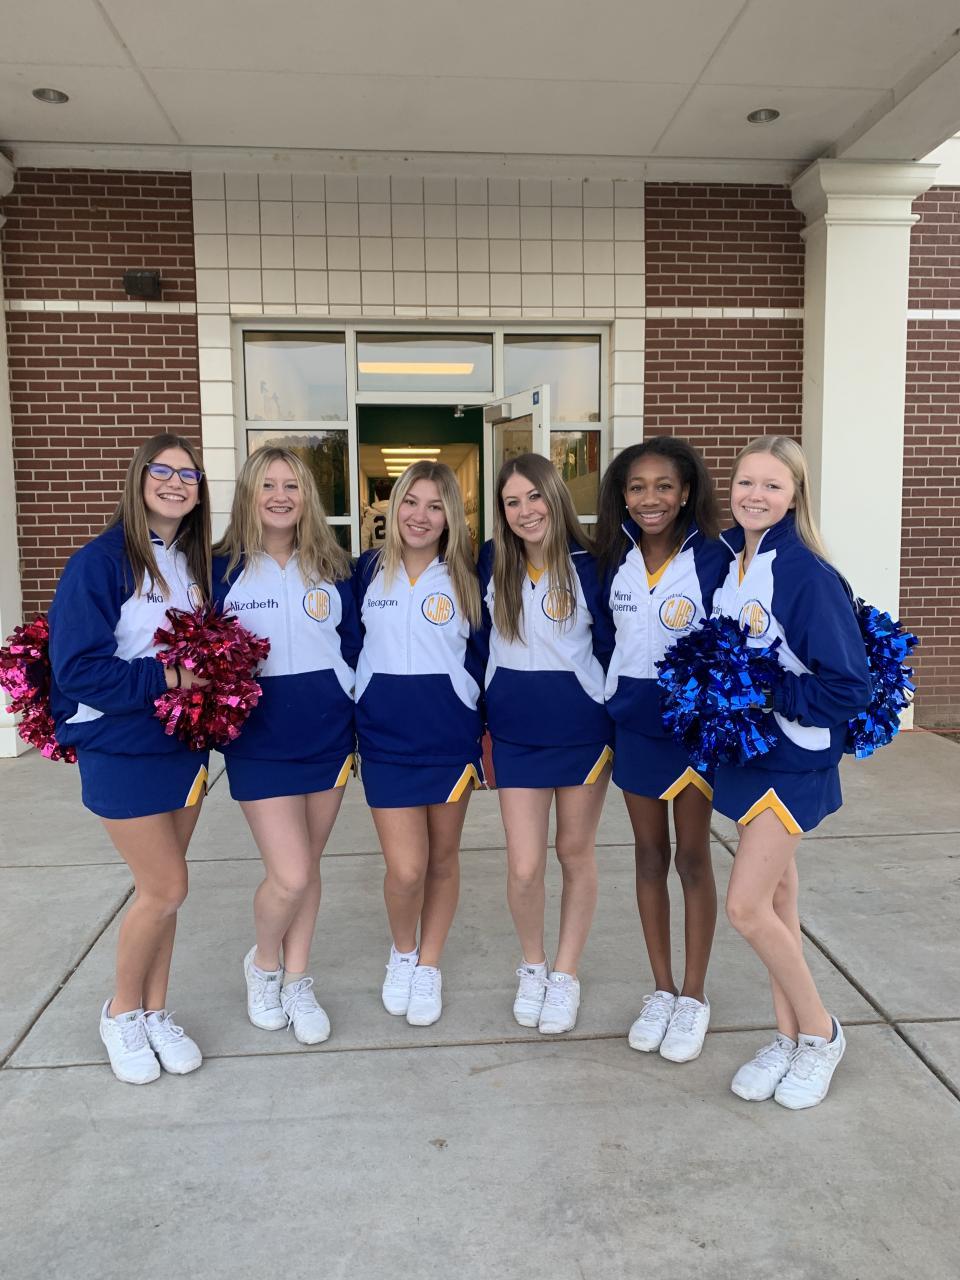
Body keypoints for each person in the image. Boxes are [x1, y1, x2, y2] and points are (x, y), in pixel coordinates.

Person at [713, 436, 871, 1109]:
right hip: (751, 756)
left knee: (745, 907)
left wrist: (763, 691)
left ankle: (822, 1032)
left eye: (772, 485)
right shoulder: (734, 560)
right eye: (745, 482)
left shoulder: (805, 573)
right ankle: (788, 1039)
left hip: (794, 759)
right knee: (778, 904)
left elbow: (849, 686)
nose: (755, 495)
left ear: (795, 495)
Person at [48, 434, 212, 1085]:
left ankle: (155, 1012)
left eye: (188, 475)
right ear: (139, 479)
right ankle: (120, 1012)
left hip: (182, 747)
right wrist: (166, 677)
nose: (175, 483)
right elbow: (78, 669)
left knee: (163, 894)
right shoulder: (100, 562)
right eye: (162, 471)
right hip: (119, 748)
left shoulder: (194, 562)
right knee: (166, 887)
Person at [213, 447, 359, 1045]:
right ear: (249, 494)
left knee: (308, 866)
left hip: (327, 734)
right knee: (290, 873)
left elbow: (354, 644)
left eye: (292, 486)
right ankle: (264, 965)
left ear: (308, 498)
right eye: (268, 485)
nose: (280, 496)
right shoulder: (218, 569)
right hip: (259, 739)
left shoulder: (337, 567)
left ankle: (298, 979)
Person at [594, 438, 731, 1063]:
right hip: (635, 728)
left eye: (663, 486)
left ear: (686, 492)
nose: (650, 499)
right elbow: (605, 641)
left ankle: (694, 996)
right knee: (648, 857)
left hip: (692, 730)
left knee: (693, 859)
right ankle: (662, 989)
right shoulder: (612, 559)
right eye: (636, 487)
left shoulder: (716, 558)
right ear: (622, 496)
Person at [479, 453, 614, 1035]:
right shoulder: (490, 562)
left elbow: (612, 645)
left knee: (574, 853)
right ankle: (533, 966)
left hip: (583, 733)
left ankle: (565, 974)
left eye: (534, 496)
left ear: (555, 497)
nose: (525, 511)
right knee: (525, 865)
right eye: (512, 502)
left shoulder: (594, 564)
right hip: (515, 735)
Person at [353, 460, 484, 1027]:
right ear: (394, 506)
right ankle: (403, 953)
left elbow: (484, 655)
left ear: (450, 515)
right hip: (383, 739)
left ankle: (429, 965)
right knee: (406, 869)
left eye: (435, 506)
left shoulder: (469, 576)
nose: (421, 516)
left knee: (443, 860)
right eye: (410, 502)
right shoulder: (363, 572)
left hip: (449, 739)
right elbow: (345, 645)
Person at [361, 477, 393, 551]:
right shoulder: (396, 512)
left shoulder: (370, 513)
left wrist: (365, 553)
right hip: (394, 552)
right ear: (391, 493)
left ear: (376, 494)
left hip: (377, 553)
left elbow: (363, 536)